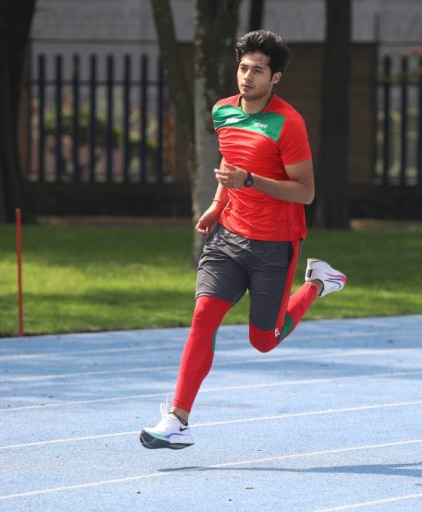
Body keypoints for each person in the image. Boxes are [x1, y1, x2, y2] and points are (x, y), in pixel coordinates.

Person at [140, 30, 346, 450]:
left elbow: (305, 191)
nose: (247, 77)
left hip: (276, 243)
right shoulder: (222, 112)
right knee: (203, 316)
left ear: (276, 78)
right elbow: (231, 158)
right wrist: (219, 203)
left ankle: (318, 283)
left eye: (258, 70)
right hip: (228, 238)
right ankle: (178, 419)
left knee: (263, 340)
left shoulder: (288, 123)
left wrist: (250, 181)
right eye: (243, 67)